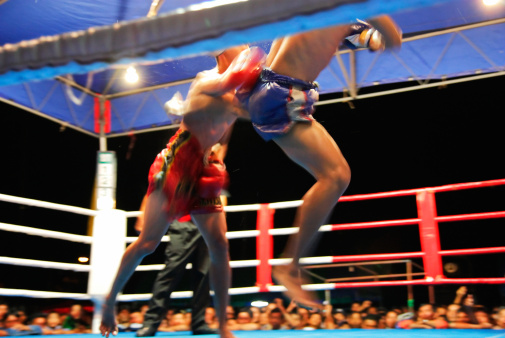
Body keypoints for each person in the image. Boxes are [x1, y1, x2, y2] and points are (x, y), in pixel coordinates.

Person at [99, 46, 266, 338]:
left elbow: (225, 129)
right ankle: (110, 302)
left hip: (204, 168)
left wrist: (219, 154)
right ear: (224, 50)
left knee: (220, 247)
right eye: (242, 43)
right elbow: (230, 80)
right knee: (148, 242)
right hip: (176, 163)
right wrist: (255, 63)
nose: (248, 46)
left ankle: (224, 326)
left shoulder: (239, 92)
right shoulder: (207, 79)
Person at [236, 15, 402, 308]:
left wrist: (373, 30)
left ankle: (290, 264)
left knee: (337, 176)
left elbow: (380, 41)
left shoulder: (342, 16)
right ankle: (289, 266)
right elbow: (393, 39)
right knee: (335, 176)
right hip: (281, 96)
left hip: (277, 92)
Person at [134, 204, 218, 336]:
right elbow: (155, 187)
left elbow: (219, 192)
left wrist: (218, 219)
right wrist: (143, 214)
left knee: (204, 273)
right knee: (171, 271)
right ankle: (150, 323)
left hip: (207, 221)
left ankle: (199, 322)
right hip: (183, 221)